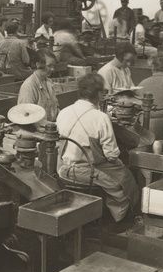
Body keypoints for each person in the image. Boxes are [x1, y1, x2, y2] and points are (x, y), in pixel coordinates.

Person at [56, 73, 138, 222]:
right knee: (125, 180)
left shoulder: (63, 112)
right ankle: (118, 220)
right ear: (99, 94)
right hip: (85, 171)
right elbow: (111, 155)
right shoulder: (100, 117)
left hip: (62, 168)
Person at [17, 53, 60, 121]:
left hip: (51, 126)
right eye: (49, 66)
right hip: (37, 129)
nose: (52, 69)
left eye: (53, 66)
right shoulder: (29, 86)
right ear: (38, 65)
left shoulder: (49, 82)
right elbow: (26, 117)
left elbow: (55, 108)